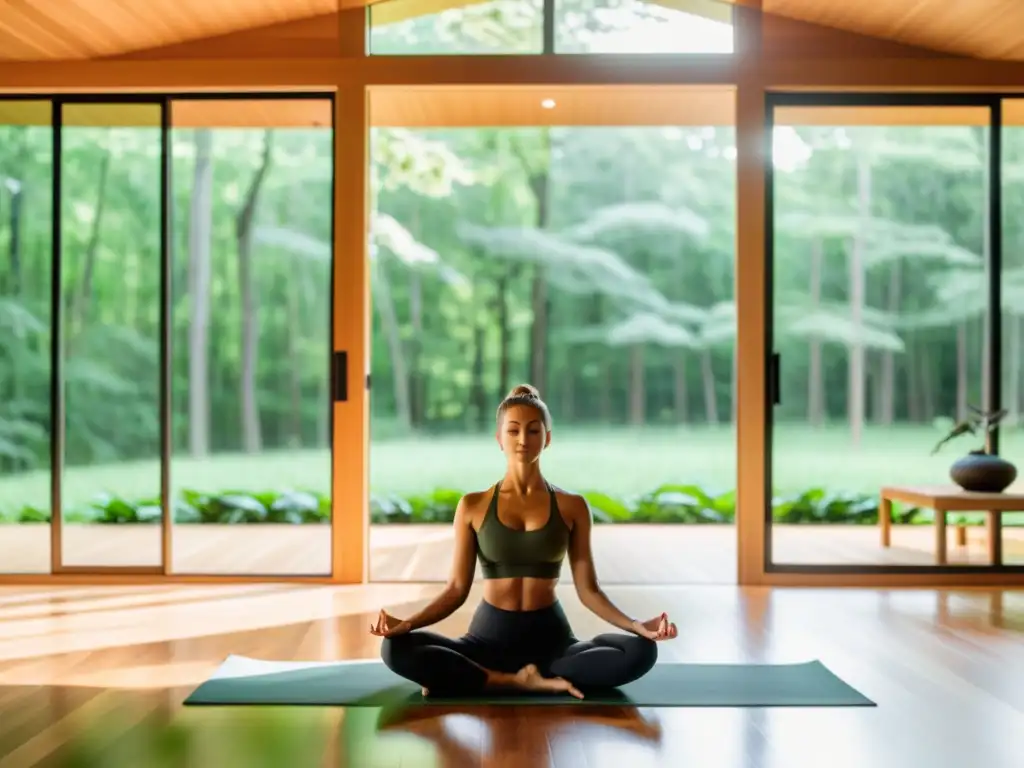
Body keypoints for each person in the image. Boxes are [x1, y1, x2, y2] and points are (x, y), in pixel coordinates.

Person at [370, 383, 677, 699]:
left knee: (641, 652)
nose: (522, 440)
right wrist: (406, 624)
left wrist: (638, 626)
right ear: (498, 438)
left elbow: (589, 591)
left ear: (548, 438)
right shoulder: (473, 505)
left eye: (533, 431)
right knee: (395, 648)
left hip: (553, 645)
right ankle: (507, 680)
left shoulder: (573, 506)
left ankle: (475, 679)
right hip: (484, 642)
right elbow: (456, 590)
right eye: (513, 430)